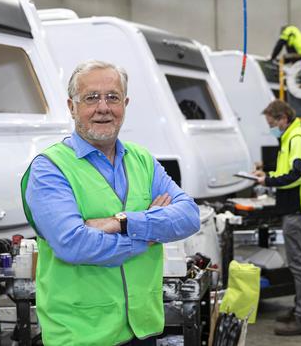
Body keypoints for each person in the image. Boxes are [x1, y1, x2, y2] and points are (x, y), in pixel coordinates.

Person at [21, 60, 200, 345]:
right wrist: (150, 236)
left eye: (112, 97)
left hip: (141, 327)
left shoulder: (143, 160)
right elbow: (73, 244)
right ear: (71, 107)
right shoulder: (50, 169)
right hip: (81, 333)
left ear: (125, 104)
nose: (103, 107)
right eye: (91, 98)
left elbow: (189, 216)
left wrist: (124, 223)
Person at [253, 99, 301, 336]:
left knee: (300, 267)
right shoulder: (291, 138)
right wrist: (267, 174)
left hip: (298, 211)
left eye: (272, 123)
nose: (271, 127)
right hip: (294, 211)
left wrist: (268, 181)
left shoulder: (296, 138)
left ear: (283, 119)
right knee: (298, 265)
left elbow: (298, 174)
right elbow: (286, 171)